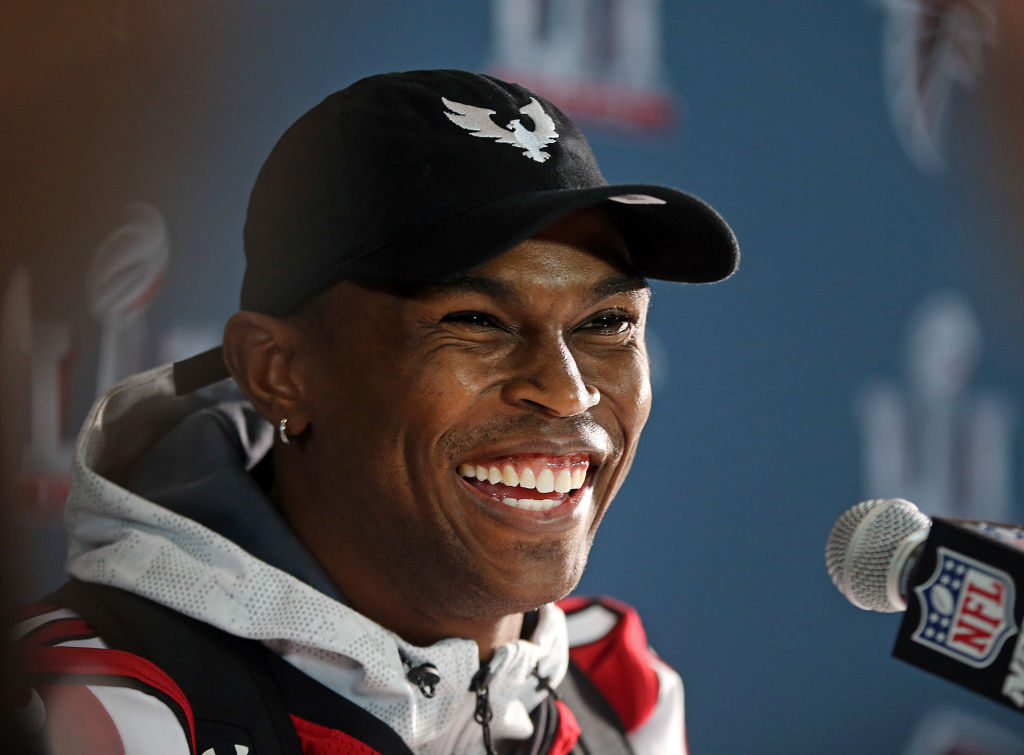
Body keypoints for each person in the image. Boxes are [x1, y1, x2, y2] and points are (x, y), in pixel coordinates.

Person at [14, 69, 738, 754]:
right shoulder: (99, 711)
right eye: (477, 320)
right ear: (279, 371)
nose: (567, 389)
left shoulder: (621, 697)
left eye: (607, 322)